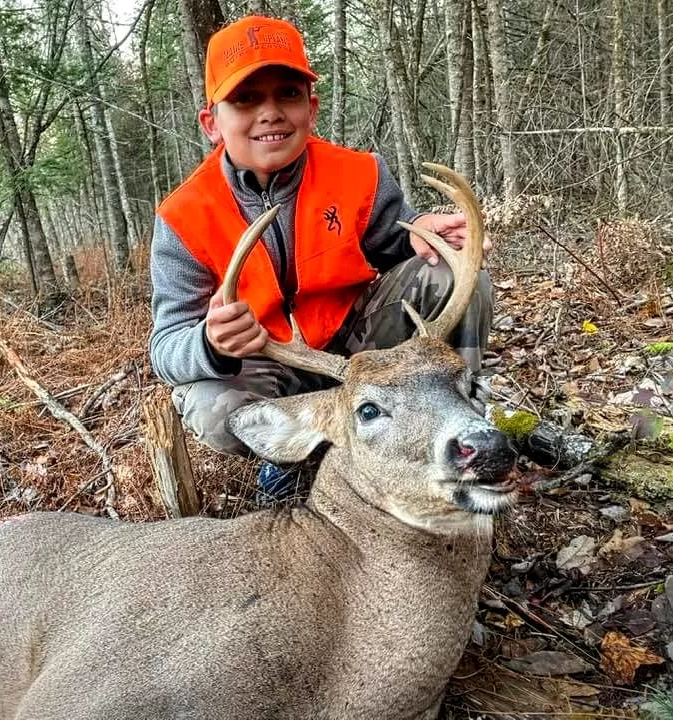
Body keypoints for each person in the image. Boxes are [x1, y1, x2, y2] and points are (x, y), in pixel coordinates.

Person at [149, 15, 493, 503]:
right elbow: (165, 346)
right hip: (269, 367)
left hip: (359, 352)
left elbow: (394, 248)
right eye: (246, 99)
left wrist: (424, 239)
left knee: (455, 273)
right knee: (212, 405)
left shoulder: (358, 174)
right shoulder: (184, 216)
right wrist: (210, 343)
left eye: (287, 94)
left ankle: (464, 422)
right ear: (211, 123)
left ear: (311, 108)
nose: (270, 113)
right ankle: (292, 462)